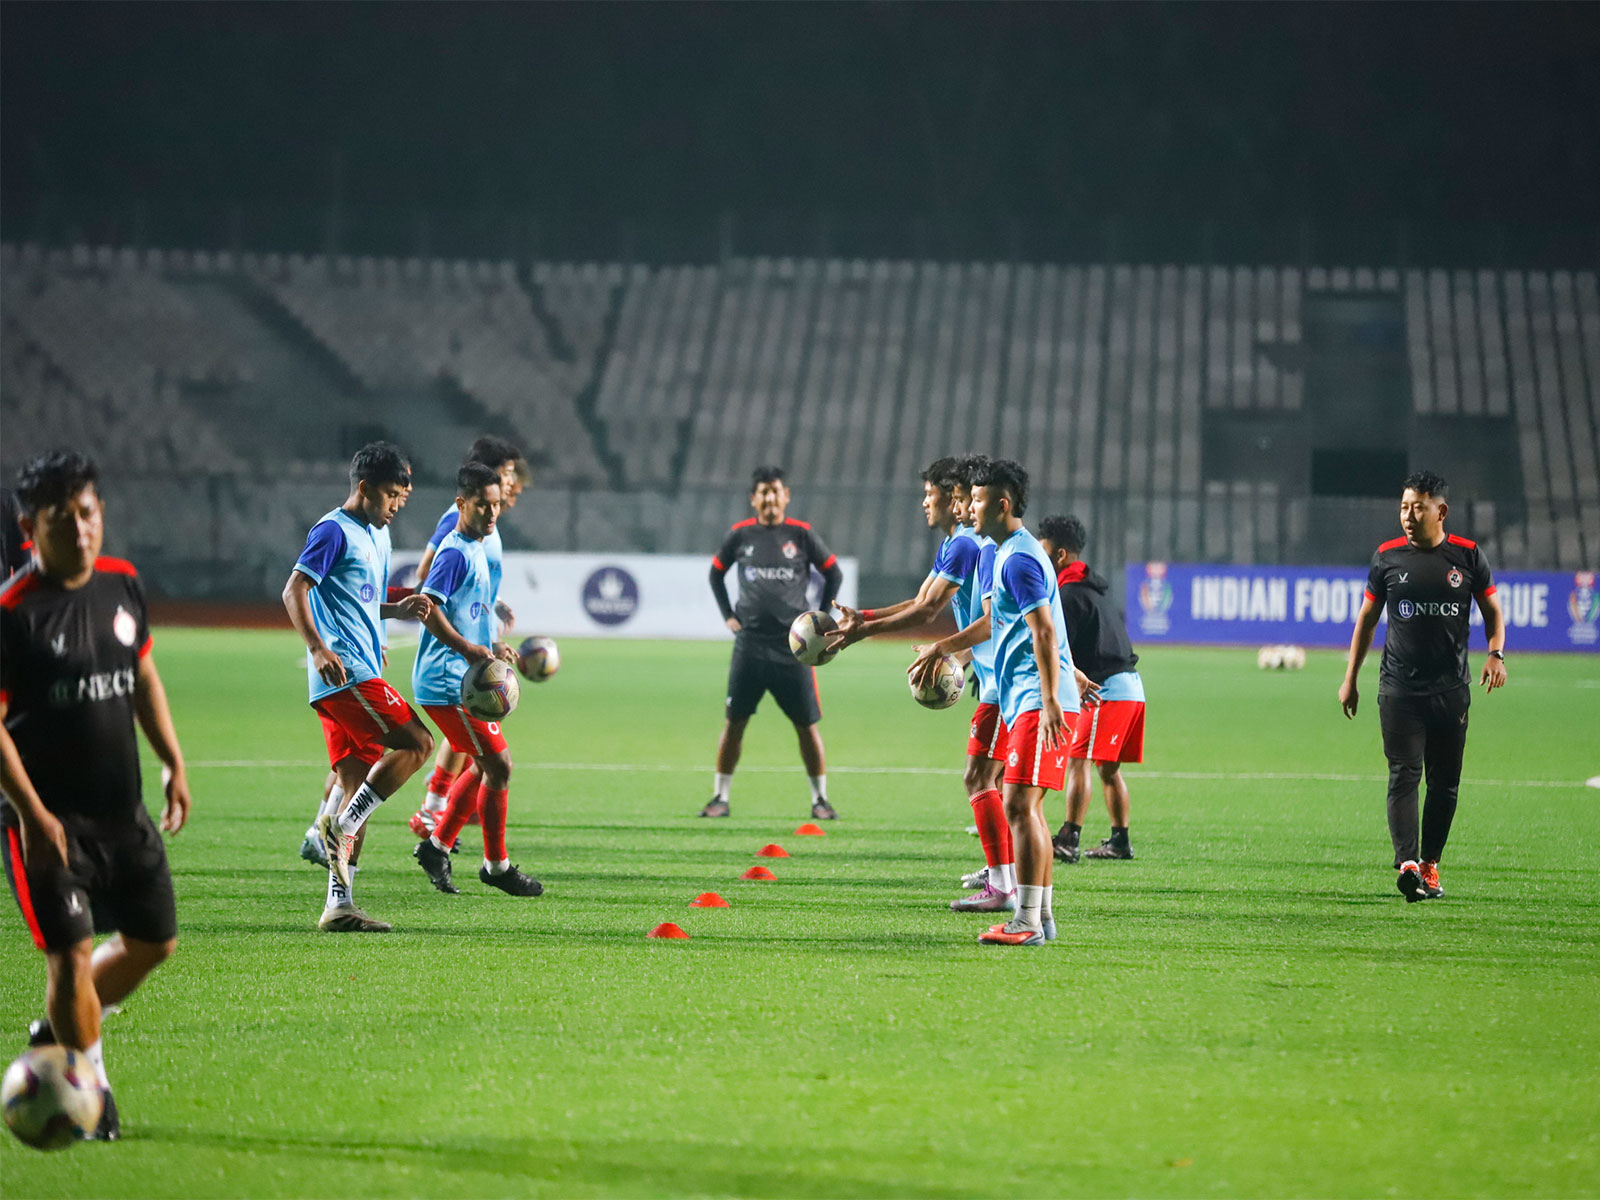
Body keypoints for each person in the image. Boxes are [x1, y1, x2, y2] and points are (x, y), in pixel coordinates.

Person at [1, 450, 191, 1140]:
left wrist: (172, 761)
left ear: (101, 512)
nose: (80, 530)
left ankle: (59, 1030)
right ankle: (91, 1086)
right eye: (61, 519)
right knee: (71, 956)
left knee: (154, 943)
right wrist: (32, 814)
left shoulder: (121, 583)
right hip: (48, 825)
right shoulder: (13, 614)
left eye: (87, 514)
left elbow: (143, 678)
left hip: (123, 813)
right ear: (30, 527)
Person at [829, 454, 1018, 913]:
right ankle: (1003, 873)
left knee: (980, 777)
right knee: (994, 779)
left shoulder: (969, 546)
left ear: (954, 499)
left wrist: (866, 633)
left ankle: (1006, 886)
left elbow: (929, 612)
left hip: (1006, 678)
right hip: (994, 673)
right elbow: (921, 599)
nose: (924, 503)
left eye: (930, 494)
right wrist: (865, 618)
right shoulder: (957, 544)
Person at [911, 458, 1080, 946]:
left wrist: (1050, 699)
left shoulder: (1019, 559)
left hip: (1035, 699)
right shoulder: (1009, 554)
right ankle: (1040, 917)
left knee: (1020, 805)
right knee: (1029, 808)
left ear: (1002, 505)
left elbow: (1044, 632)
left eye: (978, 500)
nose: (969, 509)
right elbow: (1010, 628)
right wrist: (951, 651)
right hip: (1024, 698)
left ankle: (1025, 921)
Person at [283, 442, 435, 932]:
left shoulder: (378, 534)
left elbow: (359, 598)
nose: (396, 506)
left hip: (357, 670)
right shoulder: (333, 530)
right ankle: (342, 824)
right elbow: (294, 589)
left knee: (357, 783)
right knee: (419, 743)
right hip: (345, 673)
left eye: (401, 497)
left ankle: (339, 905)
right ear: (365, 488)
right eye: (390, 495)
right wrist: (317, 648)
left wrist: (394, 611)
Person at [1339, 470, 1506, 902]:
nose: (1408, 516)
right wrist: (1350, 678)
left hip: (1451, 692)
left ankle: (1430, 863)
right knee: (1404, 774)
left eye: (1418, 508)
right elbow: (1367, 621)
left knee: (1445, 784)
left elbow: (1493, 611)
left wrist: (1496, 653)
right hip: (1399, 691)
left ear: (1441, 510)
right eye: (1404, 507)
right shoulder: (1387, 557)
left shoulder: (1468, 556)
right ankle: (1408, 864)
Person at [409, 463, 542, 897]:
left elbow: (468, 613)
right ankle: (495, 866)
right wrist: (468, 649)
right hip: (448, 682)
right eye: (482, 505)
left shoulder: (477, 547)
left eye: (496, 505)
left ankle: (437, 847)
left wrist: (491, 646)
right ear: (461, 504)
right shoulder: (454, 552)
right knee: (498, 766)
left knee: (486, 764)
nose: (492, 513)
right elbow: (428, 606)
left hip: (465, 677)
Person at [703, 465, 844, 820]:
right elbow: (715, 573)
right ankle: (720, 797)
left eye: (775, 491)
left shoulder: (801, 535)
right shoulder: (740, 535)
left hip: (792, 650)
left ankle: (820, 800)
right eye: (763, 492)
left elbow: (833, 572)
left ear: (786, 496)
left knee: (806, 726)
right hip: (749, 646)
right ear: (754, 499)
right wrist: (728, 615)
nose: (770, 498)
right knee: (734, 723)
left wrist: (820, 619)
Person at [1037, 515, 1145, 863]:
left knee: (1078, 761)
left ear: (1061, 555)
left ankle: (1069, 838)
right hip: (1131, 688)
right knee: (1108, 769)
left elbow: (1055, 649)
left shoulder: (1068, 596)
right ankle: (1120, 841)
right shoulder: (1094, 589)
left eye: (1044, 551)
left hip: (1107, 689)